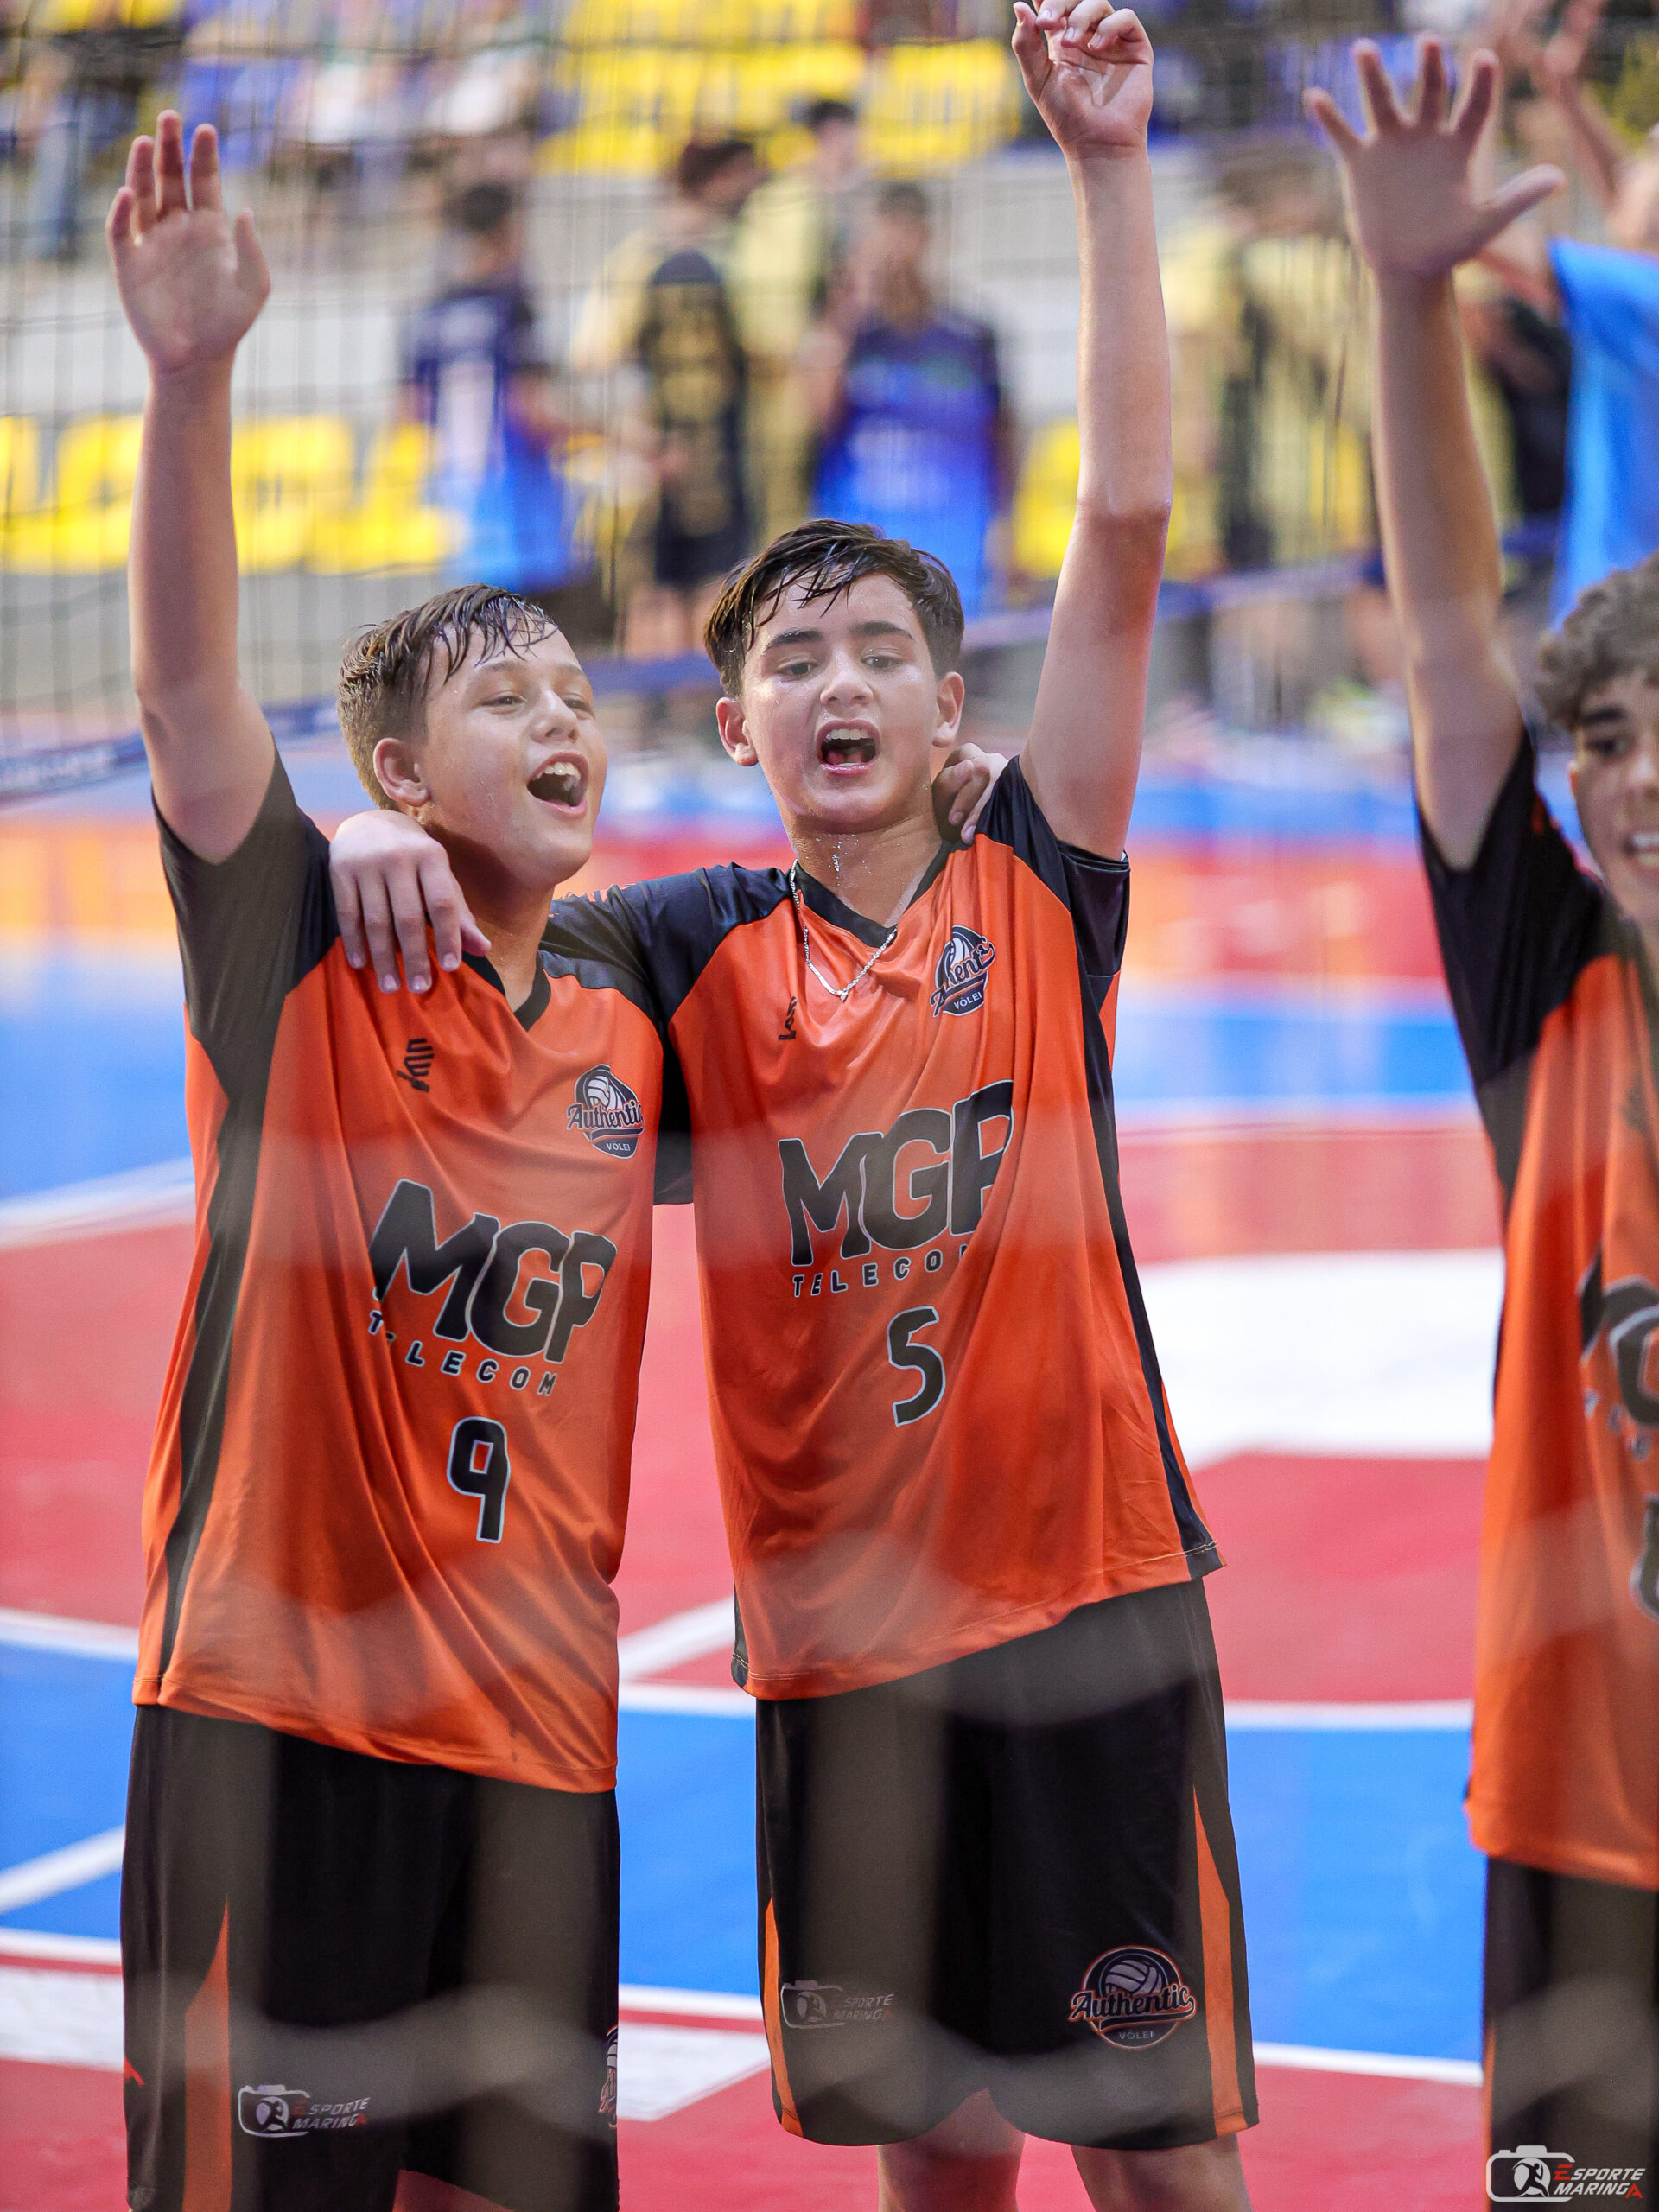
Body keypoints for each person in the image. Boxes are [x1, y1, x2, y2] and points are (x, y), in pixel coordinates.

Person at [331, 8, 1257, 2206]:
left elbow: (1128, 518)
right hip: (842, 1652)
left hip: (1087, 1608)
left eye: (879, 652)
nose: (838, 681)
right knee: (933, 2150)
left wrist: (1104, 168)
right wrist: (376, 829)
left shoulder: (1038, 877)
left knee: (1153, 2152)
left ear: (950, 709)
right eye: (792, 658)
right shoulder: (679, 948)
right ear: (736, 723)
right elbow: (480, 923)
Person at [108, 111, 666, 2212]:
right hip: (285, 1722)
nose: (562, 718)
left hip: (538, 1747)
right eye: (506, 696)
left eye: (574, 691)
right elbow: (186, 697)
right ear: (400, 772)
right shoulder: (299, 953)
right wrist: (191, 379)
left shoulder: (636, 994)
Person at [1308, 35, 1659, 2177]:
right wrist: (1407, 288)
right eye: (1599, 739)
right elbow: (1451, 638)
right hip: (1591, 1790)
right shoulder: (1552, 987)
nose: (1635, 771)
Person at [571, 136, 762, 658]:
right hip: (671, 468)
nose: (753, 190)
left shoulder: (714, 256)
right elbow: (594, 364)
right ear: (717, 180)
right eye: (745, 176)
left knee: (701, 592)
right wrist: (644, 440)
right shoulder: (653, 262)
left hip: (717, 462)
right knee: (669, 599)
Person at [403, 179, 607, 649]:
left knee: (488, 652)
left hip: (466, 510)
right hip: (529, 516)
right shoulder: (511, 303)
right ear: (507, 230)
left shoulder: (432, 310)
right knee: (554, 650)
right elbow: (532, 409)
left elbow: (411, 409)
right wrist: (609, 435)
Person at [801, 178, 1013, 620]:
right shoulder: (846, 337)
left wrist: (1007, 530)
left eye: (905, 234)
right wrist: (850, 306)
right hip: (858, 559)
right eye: (882, 237)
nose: (894, 252)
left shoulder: (971, 337)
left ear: (927, 238)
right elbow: (816, 417)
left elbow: (1004, 439)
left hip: (954, 557)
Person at [728, 95, 865, 541]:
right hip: (787, 381)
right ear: (830, 136)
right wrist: (814, 354)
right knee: (783, 506)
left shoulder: (796, 201)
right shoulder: (794, 204)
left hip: (790, 376)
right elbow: (778, 305)